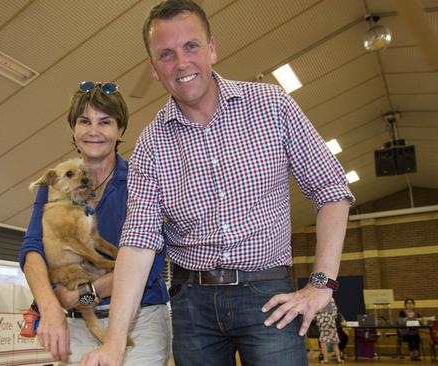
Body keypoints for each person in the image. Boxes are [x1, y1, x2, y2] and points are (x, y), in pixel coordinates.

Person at [81, 1, 354, 365]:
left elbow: (331, 188)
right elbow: (138, 242)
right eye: (166, 54)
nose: (181, 63)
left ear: (212, 47)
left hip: (269, 295)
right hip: (192, 304)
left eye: (191, 46)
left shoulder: (271, 105)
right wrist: (114, 343)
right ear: (153, 68)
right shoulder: (151, 143)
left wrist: (322, 284)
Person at [19, 81, 171, 365]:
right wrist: (50, 305)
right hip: (78, 325)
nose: (93, 131)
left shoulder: (141, 180)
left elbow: (147, 263)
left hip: (140, 320)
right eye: (84, 121)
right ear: (73, 129)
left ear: (121, 129)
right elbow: (32, 247)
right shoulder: (54, 182)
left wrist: (84, 295)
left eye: (105, 122)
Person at [315, 298, 344, 364]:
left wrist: (318, 318)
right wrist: (331, 318)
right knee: (334, 340)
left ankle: (325, 359)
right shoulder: (331, 299)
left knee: (323, 341)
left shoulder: (318, 299)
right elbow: (335, 310)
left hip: (322, 321)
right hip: (331, 321)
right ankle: (339, 359)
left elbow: (316, 310)